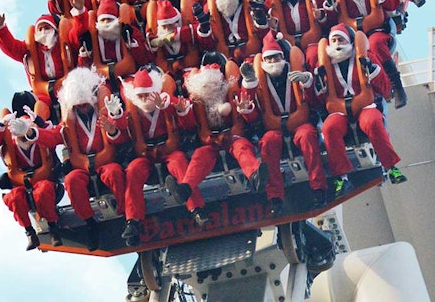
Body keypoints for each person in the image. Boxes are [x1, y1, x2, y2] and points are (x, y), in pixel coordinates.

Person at [30, 67, 126, 252]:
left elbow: (121, 137)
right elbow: (54, 136)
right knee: (71, 180)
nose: (82, 108)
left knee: (114, 172)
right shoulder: (69, 122)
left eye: (85, 104)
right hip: (82, 167)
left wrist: (113, 128)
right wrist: (33, 133)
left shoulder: (104, 112)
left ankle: (125, 215)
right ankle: (90, 223)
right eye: (78, 105)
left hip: (106, 162)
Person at [239, 32, 328, 211]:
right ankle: (275, 197)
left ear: (282, 57)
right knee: (267, 142)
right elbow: (253, 116)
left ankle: (319, 188)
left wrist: (307, 81)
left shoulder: (294, 70)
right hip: (273, 128)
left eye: (276, 57)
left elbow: (314, 101)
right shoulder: (258, 80)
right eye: (269, 59)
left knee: (307, 135)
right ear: (263, 62)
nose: (273, 62)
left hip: (300, 123)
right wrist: (247, 102)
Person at [110, 67, 198, 246]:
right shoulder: (133, 111)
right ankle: (132, 221)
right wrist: (114, 120)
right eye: (140, 95)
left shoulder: (166, 103)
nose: (144, 99)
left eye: (147, 94)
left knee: (180, 162)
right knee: (133, 170)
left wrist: (180, 109)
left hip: (169, 151)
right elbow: (123, 135)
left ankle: (196, 207)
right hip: (146, 156)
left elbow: (186, 121)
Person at [173, 51, 268, 214]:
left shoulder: (230, 91)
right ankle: (185, 188)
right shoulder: (197, 99)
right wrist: (182, 112)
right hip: (210, 141)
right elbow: (190, 124)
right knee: (200, 156)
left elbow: (246, 107)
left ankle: (255, 175)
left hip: (233, 136)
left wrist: (244, 108)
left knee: (242, 147)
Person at [315, 24, 406, 188]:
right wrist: (316, 83)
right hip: (339, 110)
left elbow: (386, 89)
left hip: (366, 105)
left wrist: (371, 69)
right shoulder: (323, 66)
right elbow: (320, 100)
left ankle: (390, 166)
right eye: (334, 40)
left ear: (349, 41)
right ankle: (341, 176)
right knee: (329, 128)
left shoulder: (366, 56)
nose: (337, 44)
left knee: (372, 121)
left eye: (341, 39)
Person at [319, 0, 408, 109]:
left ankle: (397, 87)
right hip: (351, 35)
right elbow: (333, 20)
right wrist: (329, 6)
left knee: (374, 44)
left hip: (378, 28)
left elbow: (392, 4)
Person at [0, 91, 62, 250]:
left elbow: (53, 134)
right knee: (14, 197)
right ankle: (29, 232)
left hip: (46, 183)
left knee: (43, 190)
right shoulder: (10, 145)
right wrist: (1, 123)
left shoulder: (39, 134)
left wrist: (37, 124)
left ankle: (53, 228)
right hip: (22, 185)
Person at [0, 9, 74, 120]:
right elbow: (12, 47)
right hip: (43, 93)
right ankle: (27, 125)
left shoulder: (64, 44)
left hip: (68, 87)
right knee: (23, 100)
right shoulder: (31, 50)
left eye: (47, 28)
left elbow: (77, 36)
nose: (43, 32)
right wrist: (0, 28)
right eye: (40, 29)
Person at [205, 0, 270, 64]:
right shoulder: (211, 9)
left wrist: (259, 16)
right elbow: (208, 42)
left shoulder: (249, 5)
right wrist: (204, 27)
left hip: (250, 53)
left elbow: (265, 34)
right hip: (227, 57)